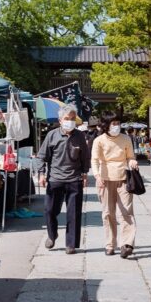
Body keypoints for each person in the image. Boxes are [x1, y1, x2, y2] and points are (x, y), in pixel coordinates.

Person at [40, 105, 90, 254]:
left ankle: (71, 244)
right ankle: (52, 234)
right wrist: (42, 174)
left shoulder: (80, 136)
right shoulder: (52, 135)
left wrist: (85, 174)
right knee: (49, 210)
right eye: (67, 119)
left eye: (73, 119)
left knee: (73, 213)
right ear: (60, 120)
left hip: (74, 179)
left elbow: (85, 157)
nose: (70, 121)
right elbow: (42, 156)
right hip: (55, 179)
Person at [91, 111, 139, 258]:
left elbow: (130, 156)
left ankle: (126, 244)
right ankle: (110, 244)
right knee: (108, 213)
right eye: (114, 124)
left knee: (126, 211)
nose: (117, 126)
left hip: (124, 178)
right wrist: (97, 176)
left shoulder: (126, 139)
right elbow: (94, 160)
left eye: (118, 123)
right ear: (106, 125)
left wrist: (132, 161)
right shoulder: (99, 140)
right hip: (105, 179)